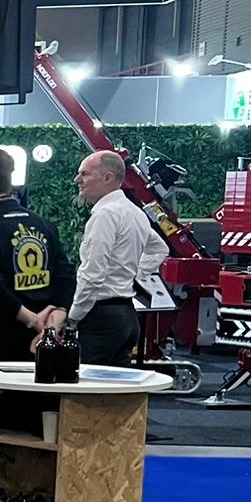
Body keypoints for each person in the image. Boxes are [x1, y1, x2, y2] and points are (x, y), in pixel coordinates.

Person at [61, 148, 168, 365]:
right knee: (118, 384)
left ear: (108, 178)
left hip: (101, 320)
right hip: (127, 316)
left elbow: (92, 274)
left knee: (86, 384)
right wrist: (131, 273)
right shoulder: (134, 212)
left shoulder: (105, 214)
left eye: (84, 174)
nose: (77, 180)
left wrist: (73, 317)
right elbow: (160, 249)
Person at [0, 147, 73, 362]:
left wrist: (32, 320)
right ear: (10, 178)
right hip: (42, 339)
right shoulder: (43, 224)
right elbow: (66, 275)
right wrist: (53, 320)